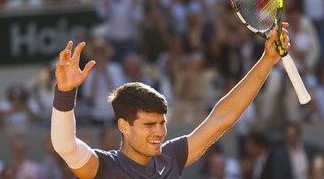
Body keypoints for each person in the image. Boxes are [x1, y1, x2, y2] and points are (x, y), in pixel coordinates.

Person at [50, 23, 289, 178]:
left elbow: (222, 117)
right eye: (149, 124)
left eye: (161, 122)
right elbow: (64, 145)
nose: (159, 131)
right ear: (123, 125)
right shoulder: (103, 168)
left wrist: (267, 60)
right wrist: (64, 92)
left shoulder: (170, 156)